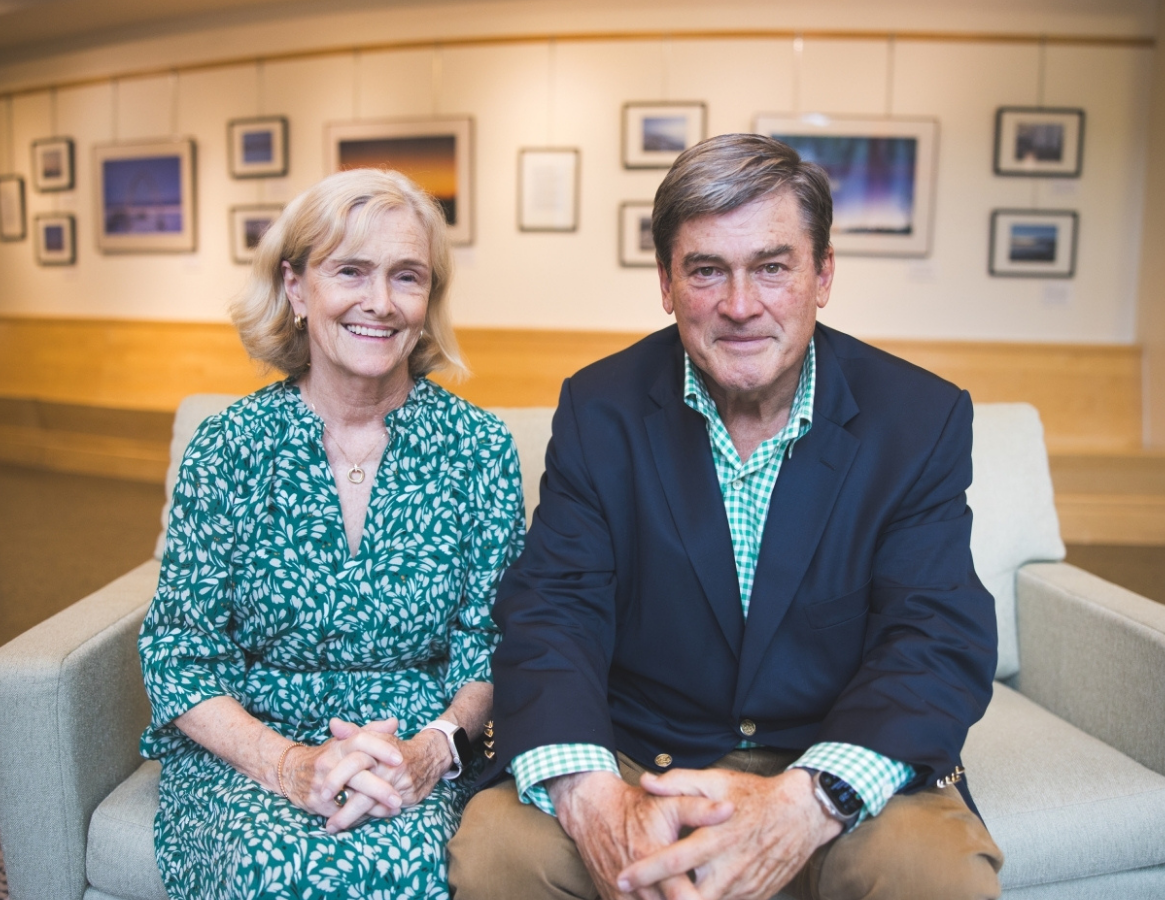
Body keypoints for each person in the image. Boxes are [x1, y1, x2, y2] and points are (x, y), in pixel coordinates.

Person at [448, 134, 1005, 900]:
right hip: (648, 759)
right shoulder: (598, 407)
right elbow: (554, 612)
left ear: (823, 276)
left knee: (929, 874)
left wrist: (807, 803)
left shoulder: (918, 418)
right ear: (668, 283)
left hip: (832, 755)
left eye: (772, 267)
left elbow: (936, 635)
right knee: (498, 853)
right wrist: (592, 796)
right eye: (707, 270)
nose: (740, 307)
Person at [138, 167, 525, 900]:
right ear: (295, 287)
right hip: (252, 746)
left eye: (406, 277)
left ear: (428, 300)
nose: (379, 303)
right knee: (268, 868)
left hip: (412, 745)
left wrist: (428, 751)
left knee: (413, 866)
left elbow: (493, 645)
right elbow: (179, 654)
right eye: (351, 270)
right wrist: (289, 766)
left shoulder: (479, 449)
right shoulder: (229, 447)